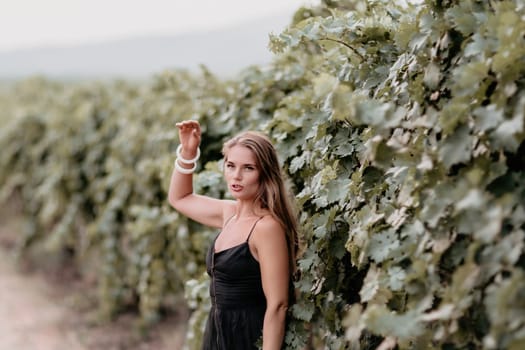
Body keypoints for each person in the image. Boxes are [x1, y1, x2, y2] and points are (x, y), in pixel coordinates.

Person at [168, 120, 299, 350]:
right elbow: (180, 198)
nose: (236, 176)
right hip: (217, 334)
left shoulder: (266, 227)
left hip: (247, 338)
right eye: (230, 165)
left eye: (248, 168)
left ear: (265, 174)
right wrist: (188, 152)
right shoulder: (230, 213)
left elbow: (278, 305)